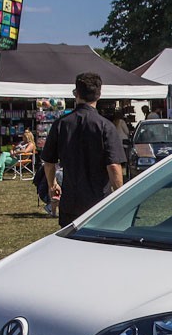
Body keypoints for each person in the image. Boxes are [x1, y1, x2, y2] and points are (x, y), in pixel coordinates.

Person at [41, 72, 126, 227]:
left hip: (71, 202)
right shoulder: (106, 126)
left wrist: (52, 185)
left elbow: (48, 162)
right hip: (99, 203)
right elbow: (113, 166)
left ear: (76, 94)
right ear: (99, 95)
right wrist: (121, 197)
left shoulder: (61, 124)